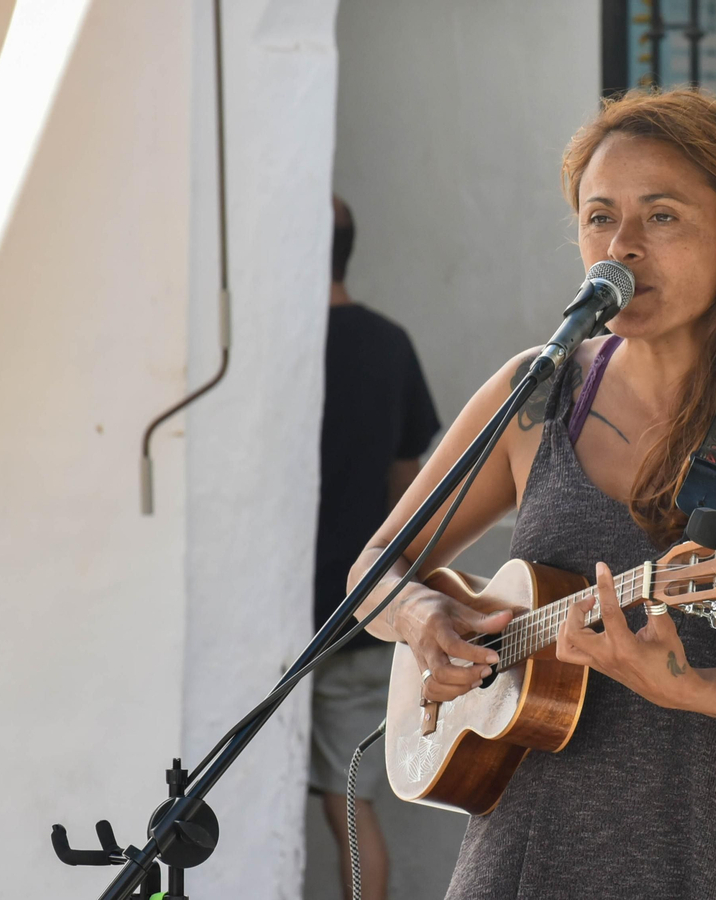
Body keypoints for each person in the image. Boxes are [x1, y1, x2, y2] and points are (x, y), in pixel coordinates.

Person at [347, 89, 716, 899]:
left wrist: (691, 687)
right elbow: (374, 568)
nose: (621, 247)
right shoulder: (536, 394)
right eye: (600, 217)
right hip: (524, 863)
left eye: (661, 217)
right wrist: (423, 619)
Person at [311, 196, 441, 900]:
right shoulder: (388, 344)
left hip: (288, 623)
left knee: (342, 811)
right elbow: (409, 493)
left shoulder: (282, 349)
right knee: (350, 808)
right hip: (362, 616)